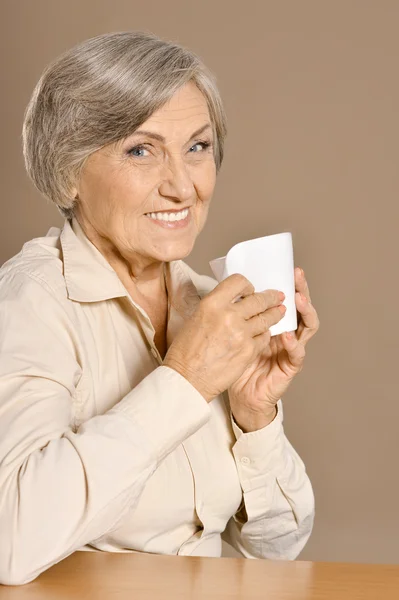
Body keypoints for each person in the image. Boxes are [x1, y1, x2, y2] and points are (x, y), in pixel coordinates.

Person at [0, 31, 319, 586]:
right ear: (68, 170)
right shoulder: (31, 302)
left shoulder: (206, 303)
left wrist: (253, 415)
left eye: (196, 147)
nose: (182, 186)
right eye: (140, 150)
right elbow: (10, 542)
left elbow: (279, 549)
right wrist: (186, 379)